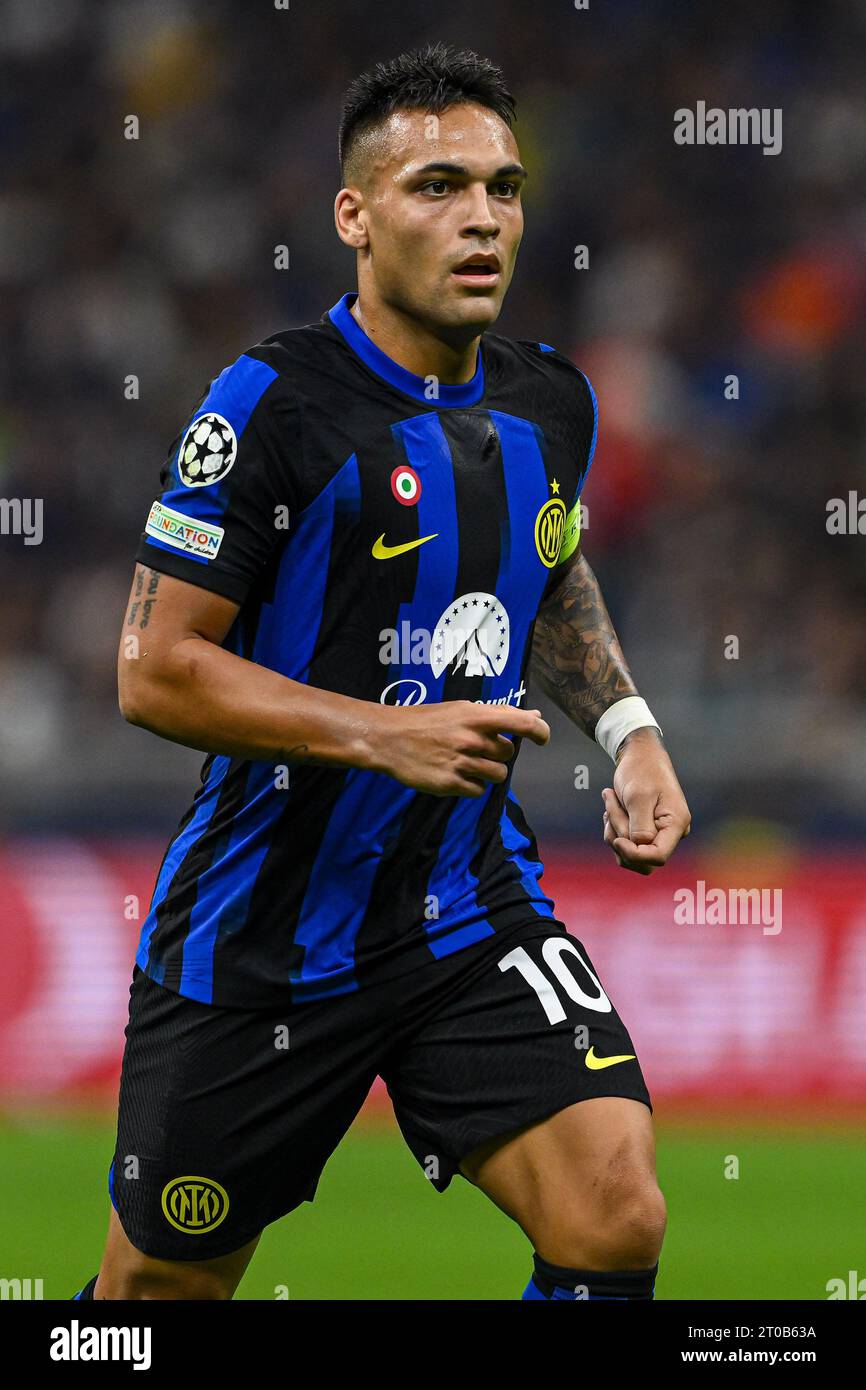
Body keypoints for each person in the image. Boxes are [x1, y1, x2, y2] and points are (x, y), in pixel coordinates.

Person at [74, 43, 690, 1303]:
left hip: (462, 905)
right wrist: (376, 734)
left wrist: (626, 725)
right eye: (438, 186)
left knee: (614, 1207)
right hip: (259, 935)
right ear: (353, 217)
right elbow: (153, 672)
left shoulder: (552, 406)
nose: (481, 218)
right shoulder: (267, 406)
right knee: (151, 1301)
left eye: (504, 188)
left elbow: (550, 564)